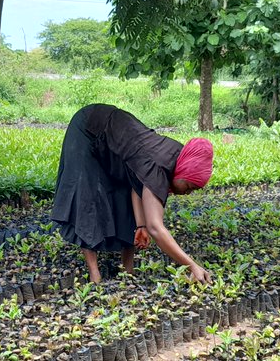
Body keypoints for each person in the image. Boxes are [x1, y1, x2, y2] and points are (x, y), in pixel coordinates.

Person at [52, 103, 214, 284]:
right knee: (87, 198)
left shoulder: (178, 157)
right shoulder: (160, 166)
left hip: (113, 144)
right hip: (88, 129)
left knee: (123, 199)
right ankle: (94, 274)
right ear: (183, 172)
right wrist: (192, 265)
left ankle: (127, 272)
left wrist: (140, 226)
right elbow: (157, 228)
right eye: (189, 187)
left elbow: (137, 183)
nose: (188, 193)